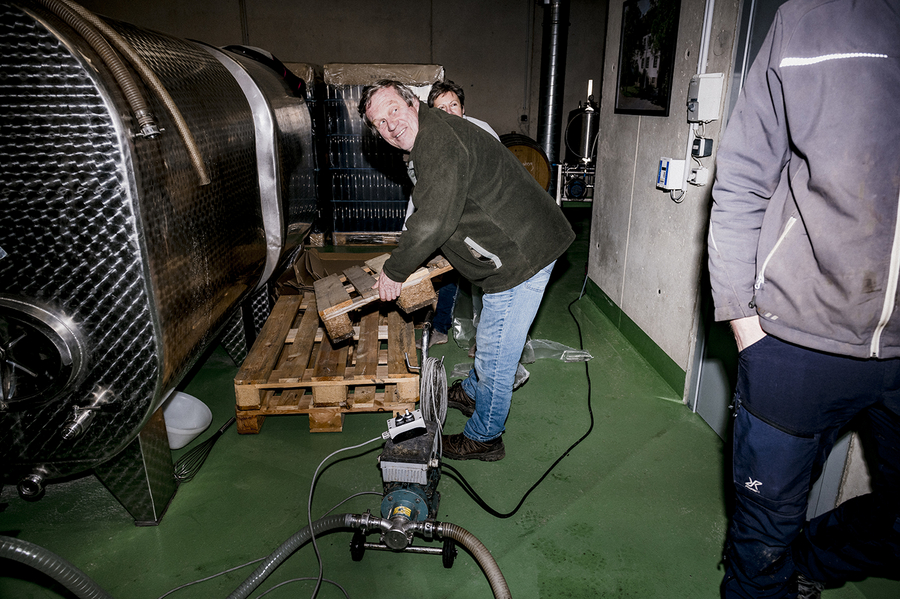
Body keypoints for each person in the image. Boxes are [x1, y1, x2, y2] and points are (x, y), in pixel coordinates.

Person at [707, 0, 900, 597]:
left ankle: (808, 563)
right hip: (793, 347)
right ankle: (770, 569)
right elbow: (741, 176)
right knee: (761, 537)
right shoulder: (809, 19)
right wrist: (744, 324)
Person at [359, 80, 574, 461]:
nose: (389, 125)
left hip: (523, 254)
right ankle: (473, 393)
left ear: (411, 103)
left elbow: (434, 220)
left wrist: (394, 272)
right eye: (379, 122)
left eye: (393, 110)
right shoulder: (428, 138)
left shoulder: (438, 141)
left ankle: (485, 437)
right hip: (509, 247)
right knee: (492, 336)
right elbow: (437, 206)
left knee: (495, 354)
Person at [405, 80, 500, 349]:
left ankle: (486, 341)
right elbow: (422, 191)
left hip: (484, 219)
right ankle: (440, 327)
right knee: (447, 271)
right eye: (440, 108)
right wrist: (408, 227)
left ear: (463, 108)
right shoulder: (430, 140)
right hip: (451, 221)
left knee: (487, 278)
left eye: (453, 105)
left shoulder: (481, 131)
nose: (448, 112)